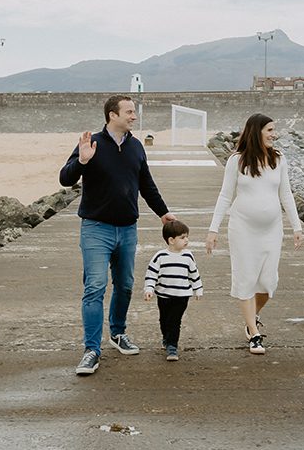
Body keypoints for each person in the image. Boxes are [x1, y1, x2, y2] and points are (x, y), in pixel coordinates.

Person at [60, 94, 176, 377]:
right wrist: (82, 161)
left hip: (127, 229)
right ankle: (91, 350)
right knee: (95, 287)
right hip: (96, 228)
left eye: (133, 112)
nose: (133, 116)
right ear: (112, 115)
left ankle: (118, 333)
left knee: (125, 285)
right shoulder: (93, 143)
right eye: (129, 112)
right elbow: (65, 178)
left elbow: (146, 184)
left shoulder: (136, 147)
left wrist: (163, 213)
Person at [205, 112, 302, 356]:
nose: (274, 134)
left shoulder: (278, 159)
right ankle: (253, 333)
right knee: (246, 278)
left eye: (274, 130)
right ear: (256, 131)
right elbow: (225, 196)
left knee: (268, 282)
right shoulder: (236, 161)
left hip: (272, 229)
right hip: (243, 229)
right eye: (270, 130)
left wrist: (297, 226)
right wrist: (213, 229)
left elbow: (286, 194)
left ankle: (253, 315)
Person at [143, 218, 203, 362]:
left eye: (187, 236)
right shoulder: (160, 256)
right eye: (182, 237)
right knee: (164, 319)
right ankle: (166, 338)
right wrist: (149, 288)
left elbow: (194, 273)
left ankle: (172, 346)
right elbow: (151, 274)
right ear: (171, 240)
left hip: (182, 296)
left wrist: (198, 288)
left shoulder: (188, 256)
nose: (186, 240)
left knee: (175, 321)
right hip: (163, 295)